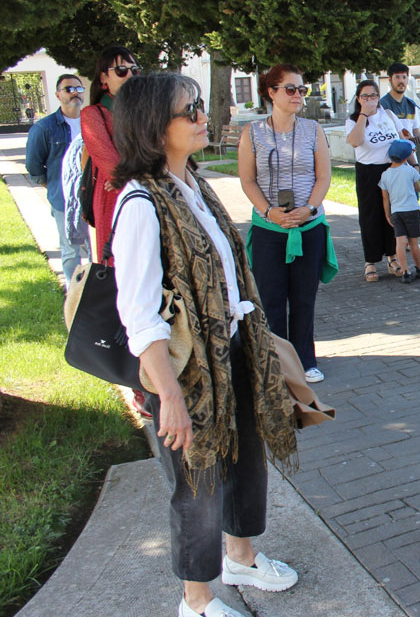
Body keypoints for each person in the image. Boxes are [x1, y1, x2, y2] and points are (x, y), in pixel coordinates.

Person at [110, 73, 300, 617]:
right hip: (185, 374)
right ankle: (195, 601)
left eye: (198, 105)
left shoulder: (190, 183)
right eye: (188, 110)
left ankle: (240, 556)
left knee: (246, 461)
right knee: (197, 483)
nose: (201, 116)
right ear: (152, 128)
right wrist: (167, 395)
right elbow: (140, 316)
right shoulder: (141, 204)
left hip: (231, 352)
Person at [238, 63, 336, 384]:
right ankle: (278, 362)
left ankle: (306, 359)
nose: (298, 95)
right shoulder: (253, 133)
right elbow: (248, 180)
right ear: (271, 92)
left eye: (302, 89)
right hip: (270, 229)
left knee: (304, 297)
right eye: (290, 89)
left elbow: (324, 176)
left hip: (308, 227)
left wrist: (309, 208)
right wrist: (269, 212)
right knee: (272, 298)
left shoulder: (313, 130)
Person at [25, 73, 90, 285]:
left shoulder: (92, 122)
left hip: (92, 197)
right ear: (58, 94)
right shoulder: (44, 128)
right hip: (64, 200)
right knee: (71, 250)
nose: (75, 93)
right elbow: (34, 166)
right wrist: (54, 186)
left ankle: (96, 292)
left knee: (95, 248)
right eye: (69, 89)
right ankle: (74, 296)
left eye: (78, 89)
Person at [346, 78, 408, 282]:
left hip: (390, 168)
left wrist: (413, 163)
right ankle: (370, 261)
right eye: (365, 96)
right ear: (359, 98)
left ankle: (392, 256)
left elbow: (402, 139)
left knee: (391, 215)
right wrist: (364, 114)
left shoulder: (388, 114)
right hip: (368, 171)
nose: (370, 99)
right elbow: (355, 142)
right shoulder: (353, 119)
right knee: (370, 215)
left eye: (373, 95)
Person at [82, 45, 140, 261]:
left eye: (134, 70)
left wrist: (133, 173)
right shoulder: (93, 114)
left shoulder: (147, 111)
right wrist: (129, 175)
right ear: (103, 78)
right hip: (113, 197)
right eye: (121, 70)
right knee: (117, 264)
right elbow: (109, 163)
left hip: (152, 192)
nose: (131, 75)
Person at [379, 139, 420, 284]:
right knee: (413, 242)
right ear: (405, 158)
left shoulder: (385, 175)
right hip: (411, 210)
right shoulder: (410, 171)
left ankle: (405, 271)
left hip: (396, 212)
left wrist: (387, 214)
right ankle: (419, 268)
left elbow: (385, 197)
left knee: (400, 242)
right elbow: (418, 187)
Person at [380, 62, 420, 164]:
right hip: (389, 161)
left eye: (404, 77)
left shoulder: (411, 104)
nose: (401, 81)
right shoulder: (383, 104)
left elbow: (415, 134)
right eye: (397, 77)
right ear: (390, 80)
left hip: (410, 160)